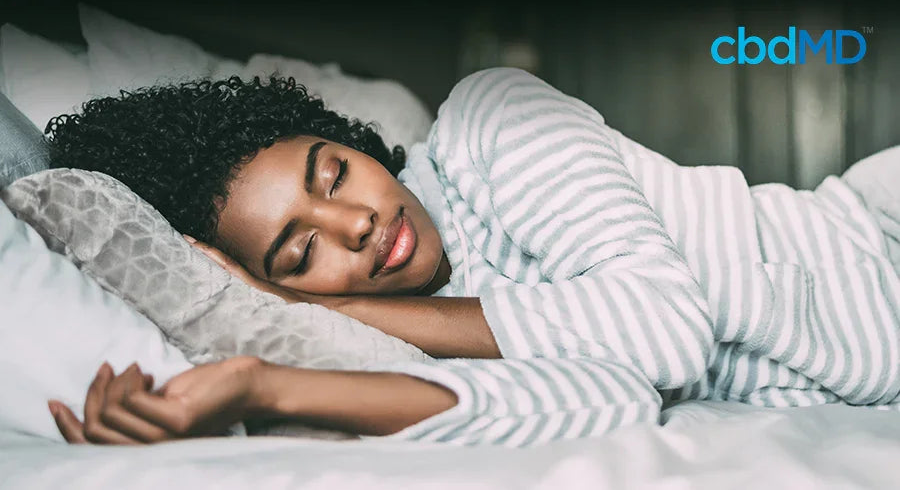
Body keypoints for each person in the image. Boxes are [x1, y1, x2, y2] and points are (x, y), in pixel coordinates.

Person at [44, 68, 900, 447]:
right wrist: (261, 385)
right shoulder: (406, 333)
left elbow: (665, 331)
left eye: (334, 173)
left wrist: (315, 303)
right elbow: (609, 398)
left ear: (348, 139)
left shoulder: (494, 119)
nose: (354, 224)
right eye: (301, 252)